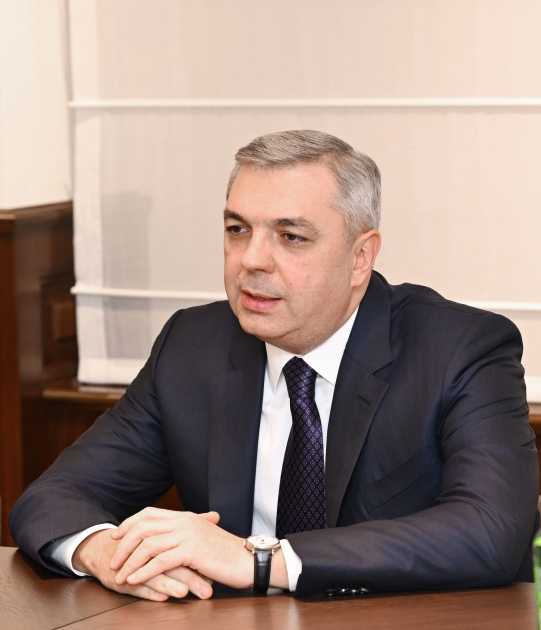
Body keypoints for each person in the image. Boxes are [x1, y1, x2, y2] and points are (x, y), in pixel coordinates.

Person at [9, 130, 539, 600]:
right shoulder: (192, 346)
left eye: (291, 237)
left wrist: (260, 560)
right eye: (237, 229)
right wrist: (106, 552)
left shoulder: (458, 349)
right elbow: (54, 498)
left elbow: (491, 530)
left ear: (360, 257)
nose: (251, 260)